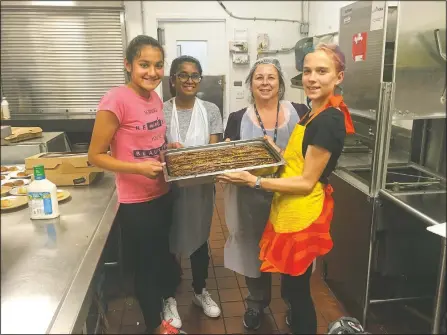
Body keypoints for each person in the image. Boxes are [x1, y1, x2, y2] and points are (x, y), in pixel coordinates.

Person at [217, 44, 355, 335]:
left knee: (297, 292)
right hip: (287, 207)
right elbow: (293, 160)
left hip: (300, 214)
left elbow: (306, 181)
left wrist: (252, 180)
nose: (312, 78)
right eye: (307, 72)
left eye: (322, 71)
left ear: (338, 76)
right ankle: (262, 304)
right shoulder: (314, 114)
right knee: (293, 287)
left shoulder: (327, 119)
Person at [88, 35, 184, 335]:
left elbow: (150, 140)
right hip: (136, 201)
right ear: (128, 64)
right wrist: (138, 168)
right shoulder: (115, 99)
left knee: (159, 258)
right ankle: (156, 327)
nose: (152, 72)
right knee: (145, 266)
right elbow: (94, 156)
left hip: (162, 192)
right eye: (144, 65)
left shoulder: (154, 97)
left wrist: (169, 148)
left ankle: (162, 314)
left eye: (158, 65)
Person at [223, 57, 308, 330]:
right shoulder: (237, 119)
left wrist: (278, 154)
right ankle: (256, 304)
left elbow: (310, 156)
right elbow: (229, 157)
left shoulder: (300, 111)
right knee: (254, 250)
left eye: (271, 77)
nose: (265, 83)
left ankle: (294, 304)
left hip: (290, 197)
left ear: (281, 83)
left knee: (291, 253)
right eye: (259, 78)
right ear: (250, 83)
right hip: (251, 200)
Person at [161, 55, 223, 328]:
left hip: (200, 188)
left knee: (199, 239)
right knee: (169, 242)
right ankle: (168, 296)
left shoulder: (210, 110)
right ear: (172, 80)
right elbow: (155, 151)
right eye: (183, 75)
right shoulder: (160, 111)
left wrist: (186, 160)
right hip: (166, 188)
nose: (189, 80)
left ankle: (200, 291)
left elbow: (211, 153)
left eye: (195, 75)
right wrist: (167, 154)